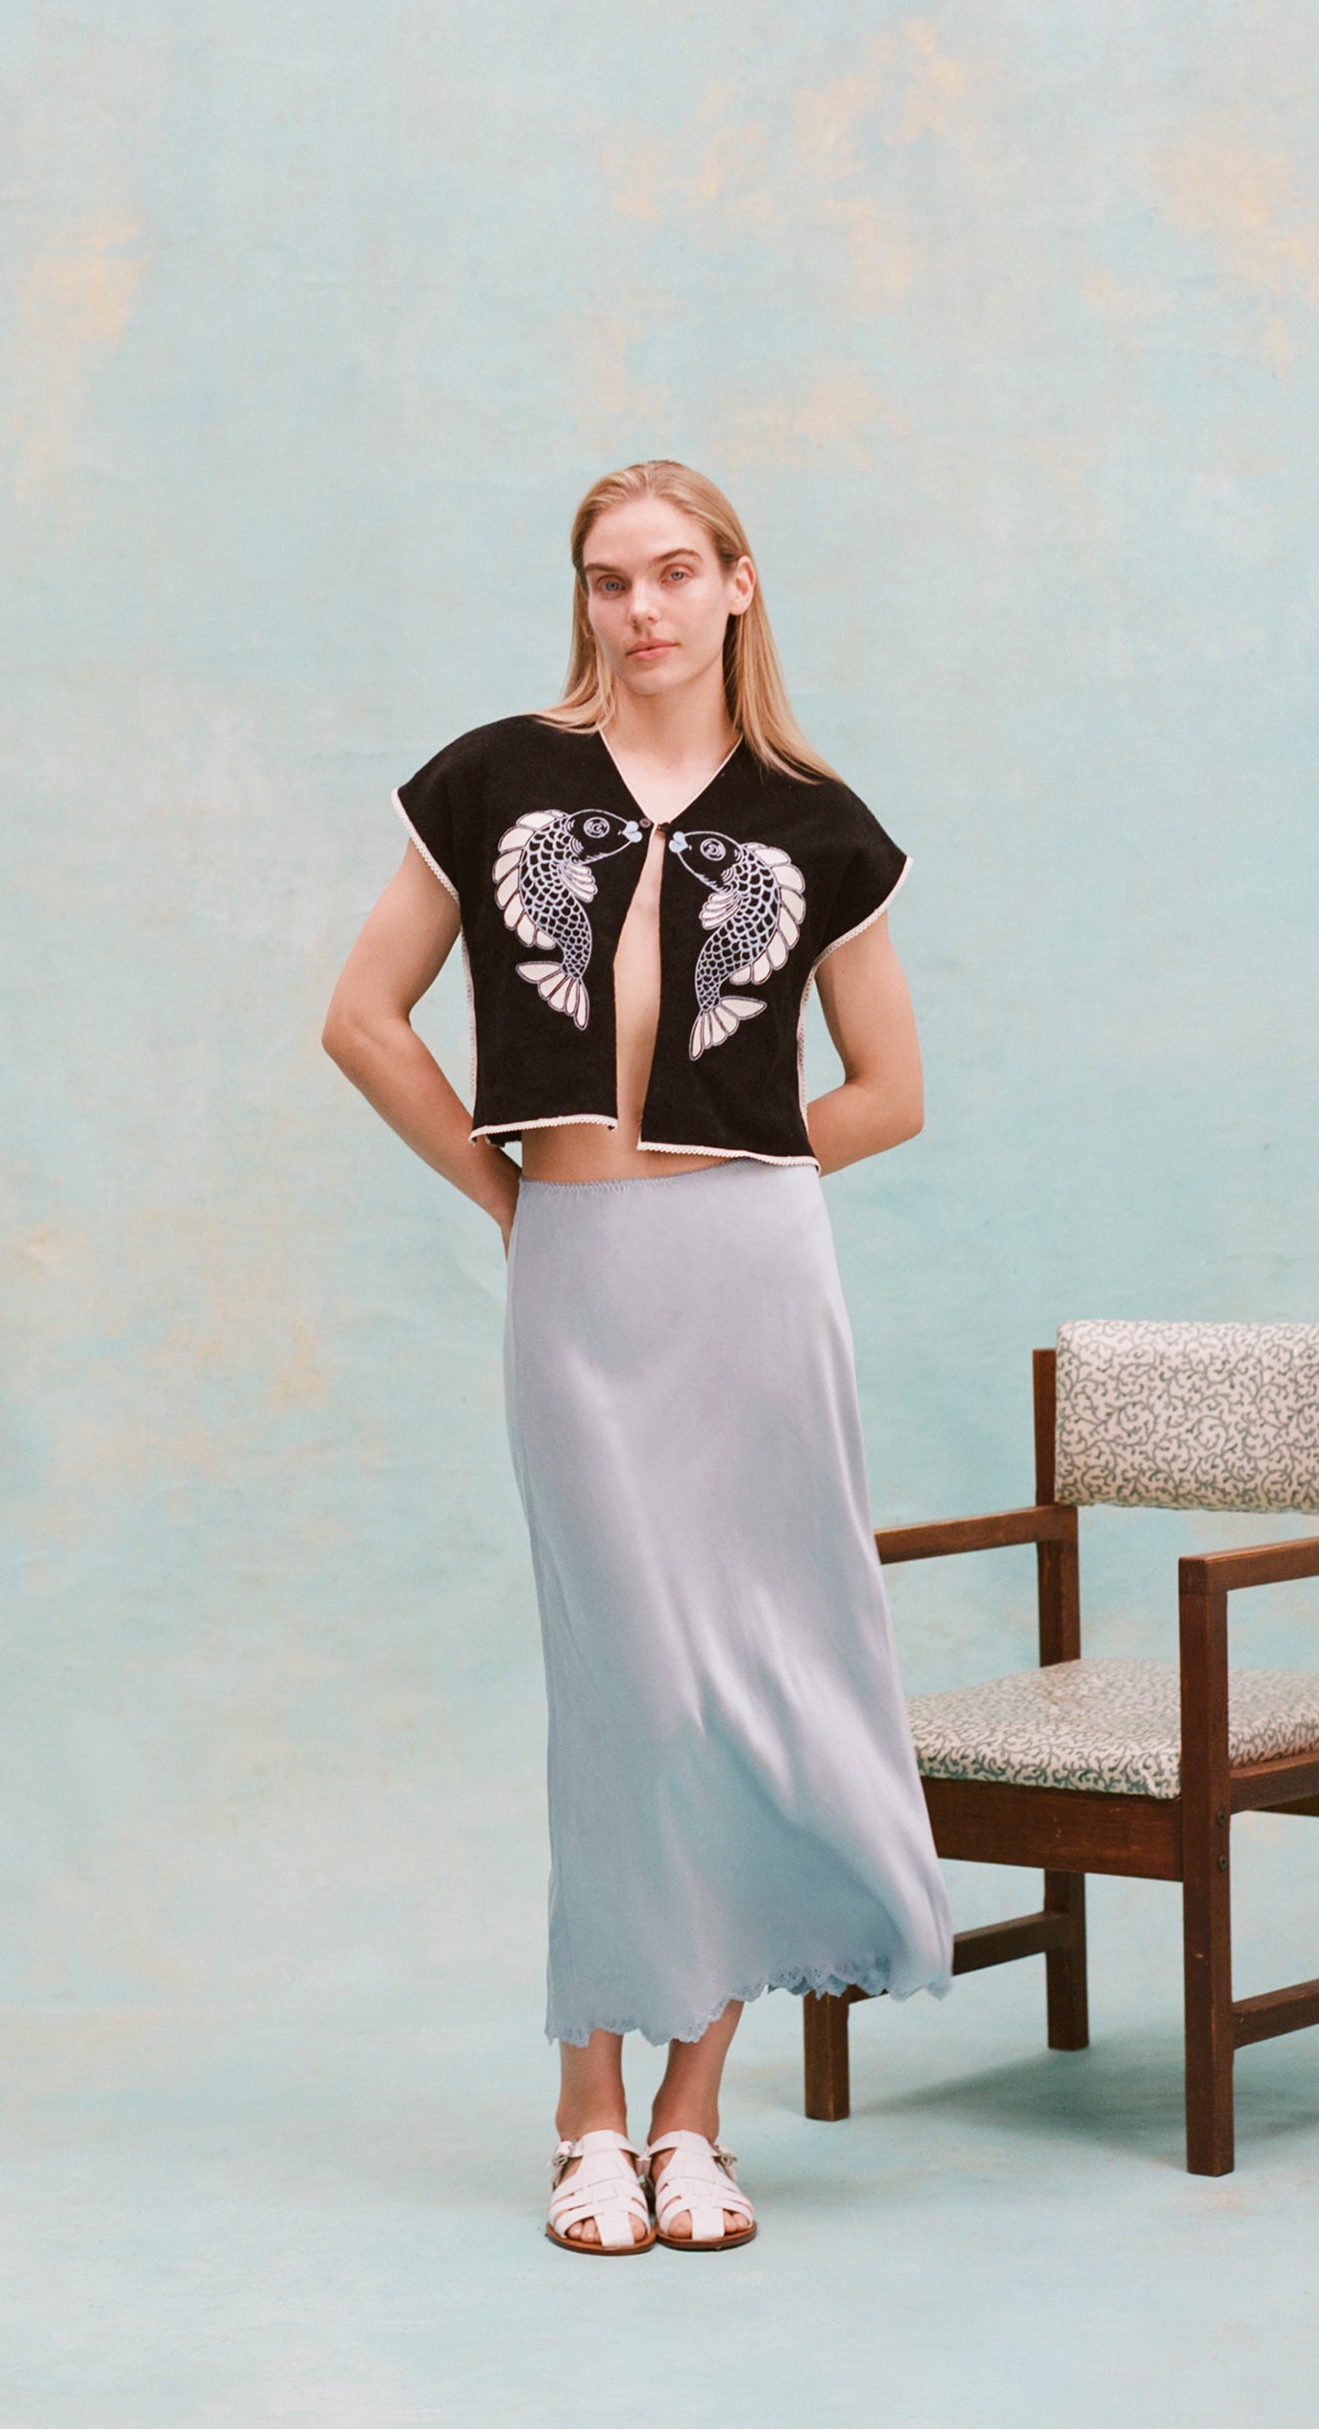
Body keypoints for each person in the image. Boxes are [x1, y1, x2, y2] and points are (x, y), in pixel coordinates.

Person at [322, 458, 953, 2254]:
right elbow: (361, 1021)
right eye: (611, 582)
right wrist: (512, 1200)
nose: (644, 610)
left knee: (754, 1680)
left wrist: (734, 1163)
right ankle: (581, 2111)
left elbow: (894, 1096)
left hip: (754, 1277)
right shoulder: (495, 779)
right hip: (580, 1270)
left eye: (677, 574)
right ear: (585, 598)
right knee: (633, 1690)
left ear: (741, 586)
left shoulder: (818, 822)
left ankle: (691, 2118)